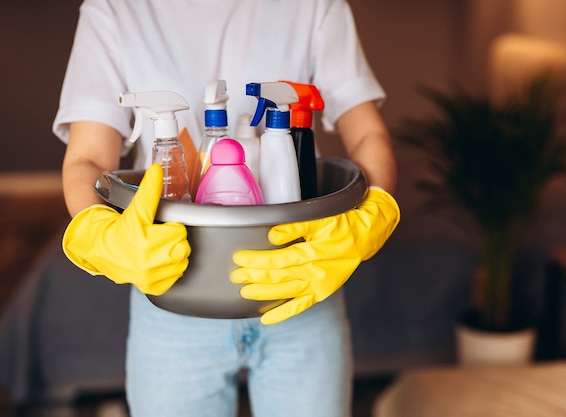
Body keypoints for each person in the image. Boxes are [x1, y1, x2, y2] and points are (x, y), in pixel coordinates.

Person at [54, 0, 400, 416]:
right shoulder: (114, 9)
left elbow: (367, 134)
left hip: (298, 283)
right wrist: (97, 228)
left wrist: (376, 208)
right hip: (175, 296)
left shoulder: (313, 5)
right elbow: (88, 158)